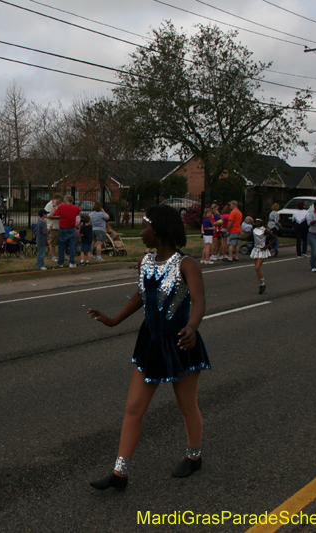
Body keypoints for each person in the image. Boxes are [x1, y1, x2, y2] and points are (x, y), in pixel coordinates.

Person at [87, 205, 210, 490]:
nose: (141, 233)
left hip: (181, 341)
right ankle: (120, 474)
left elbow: (200, 301)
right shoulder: (145, 261)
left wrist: (192, 327)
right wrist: (115, 320)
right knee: (134, 408)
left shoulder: (186, 264)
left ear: (160, 230)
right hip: (151, 341)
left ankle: (194, 457)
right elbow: (142, 296)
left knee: (186, 404)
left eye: (144, 227)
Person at [48, 194, 81, 268]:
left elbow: (54, 213)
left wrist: (54, 205)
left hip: (63, 228)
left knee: (61, 246)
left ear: (65, 200)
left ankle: (61, 262)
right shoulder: (76, 208)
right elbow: (78, 211)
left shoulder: (62, 207)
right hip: (71, 228)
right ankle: (72, 262)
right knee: (72, 246)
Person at [250, 218, 277, 294]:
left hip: (262, 250)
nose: (257, 223)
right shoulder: (255, 230)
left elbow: (274, 238)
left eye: (259, 222)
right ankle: (262, 284)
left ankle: (262, 284)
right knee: (257, 269)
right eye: (256, 221)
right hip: (256, 249)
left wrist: (267, 246)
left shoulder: (265, 230)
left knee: (257, 267)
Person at [44, 193, 62, 263]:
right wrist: (58, 217)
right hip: (53, 226)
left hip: (60, 226)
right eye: (60, 200)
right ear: (56, 199)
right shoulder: (49, 205)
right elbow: (48, 216)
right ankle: (53, 256)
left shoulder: (59, 205)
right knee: (53, 242)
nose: (60, 201)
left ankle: (63, 255)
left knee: (61, 242)